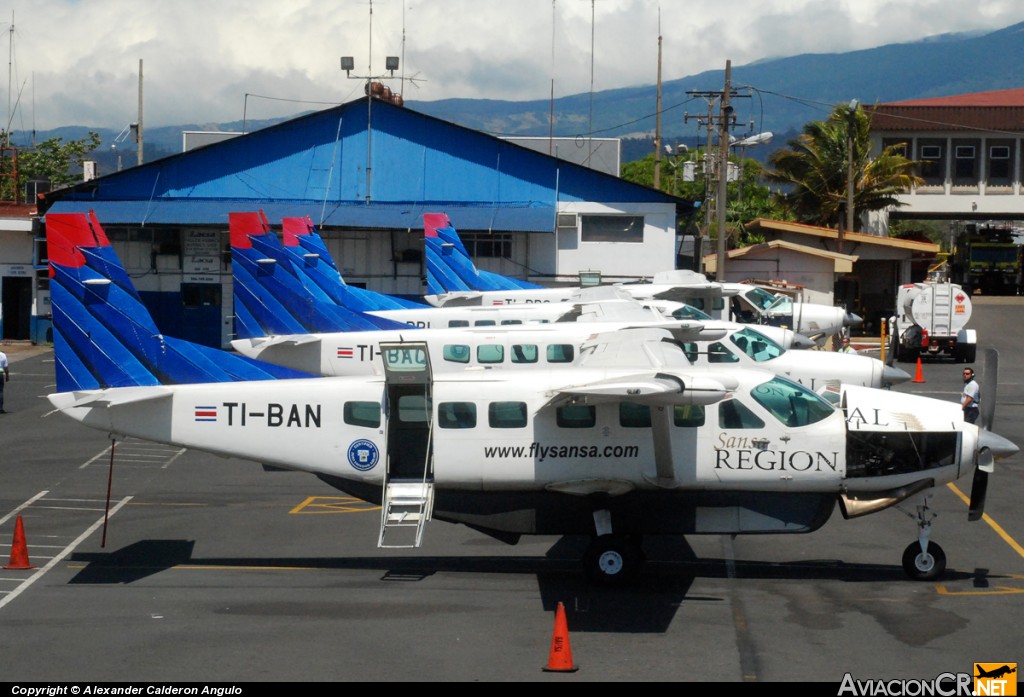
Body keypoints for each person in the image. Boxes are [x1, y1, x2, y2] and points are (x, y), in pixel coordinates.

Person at [0, 349, 8, 414]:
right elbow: (6, 367)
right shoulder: (3, 355)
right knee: (0, 391)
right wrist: (7, 375)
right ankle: (0, 408)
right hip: (0, 373)